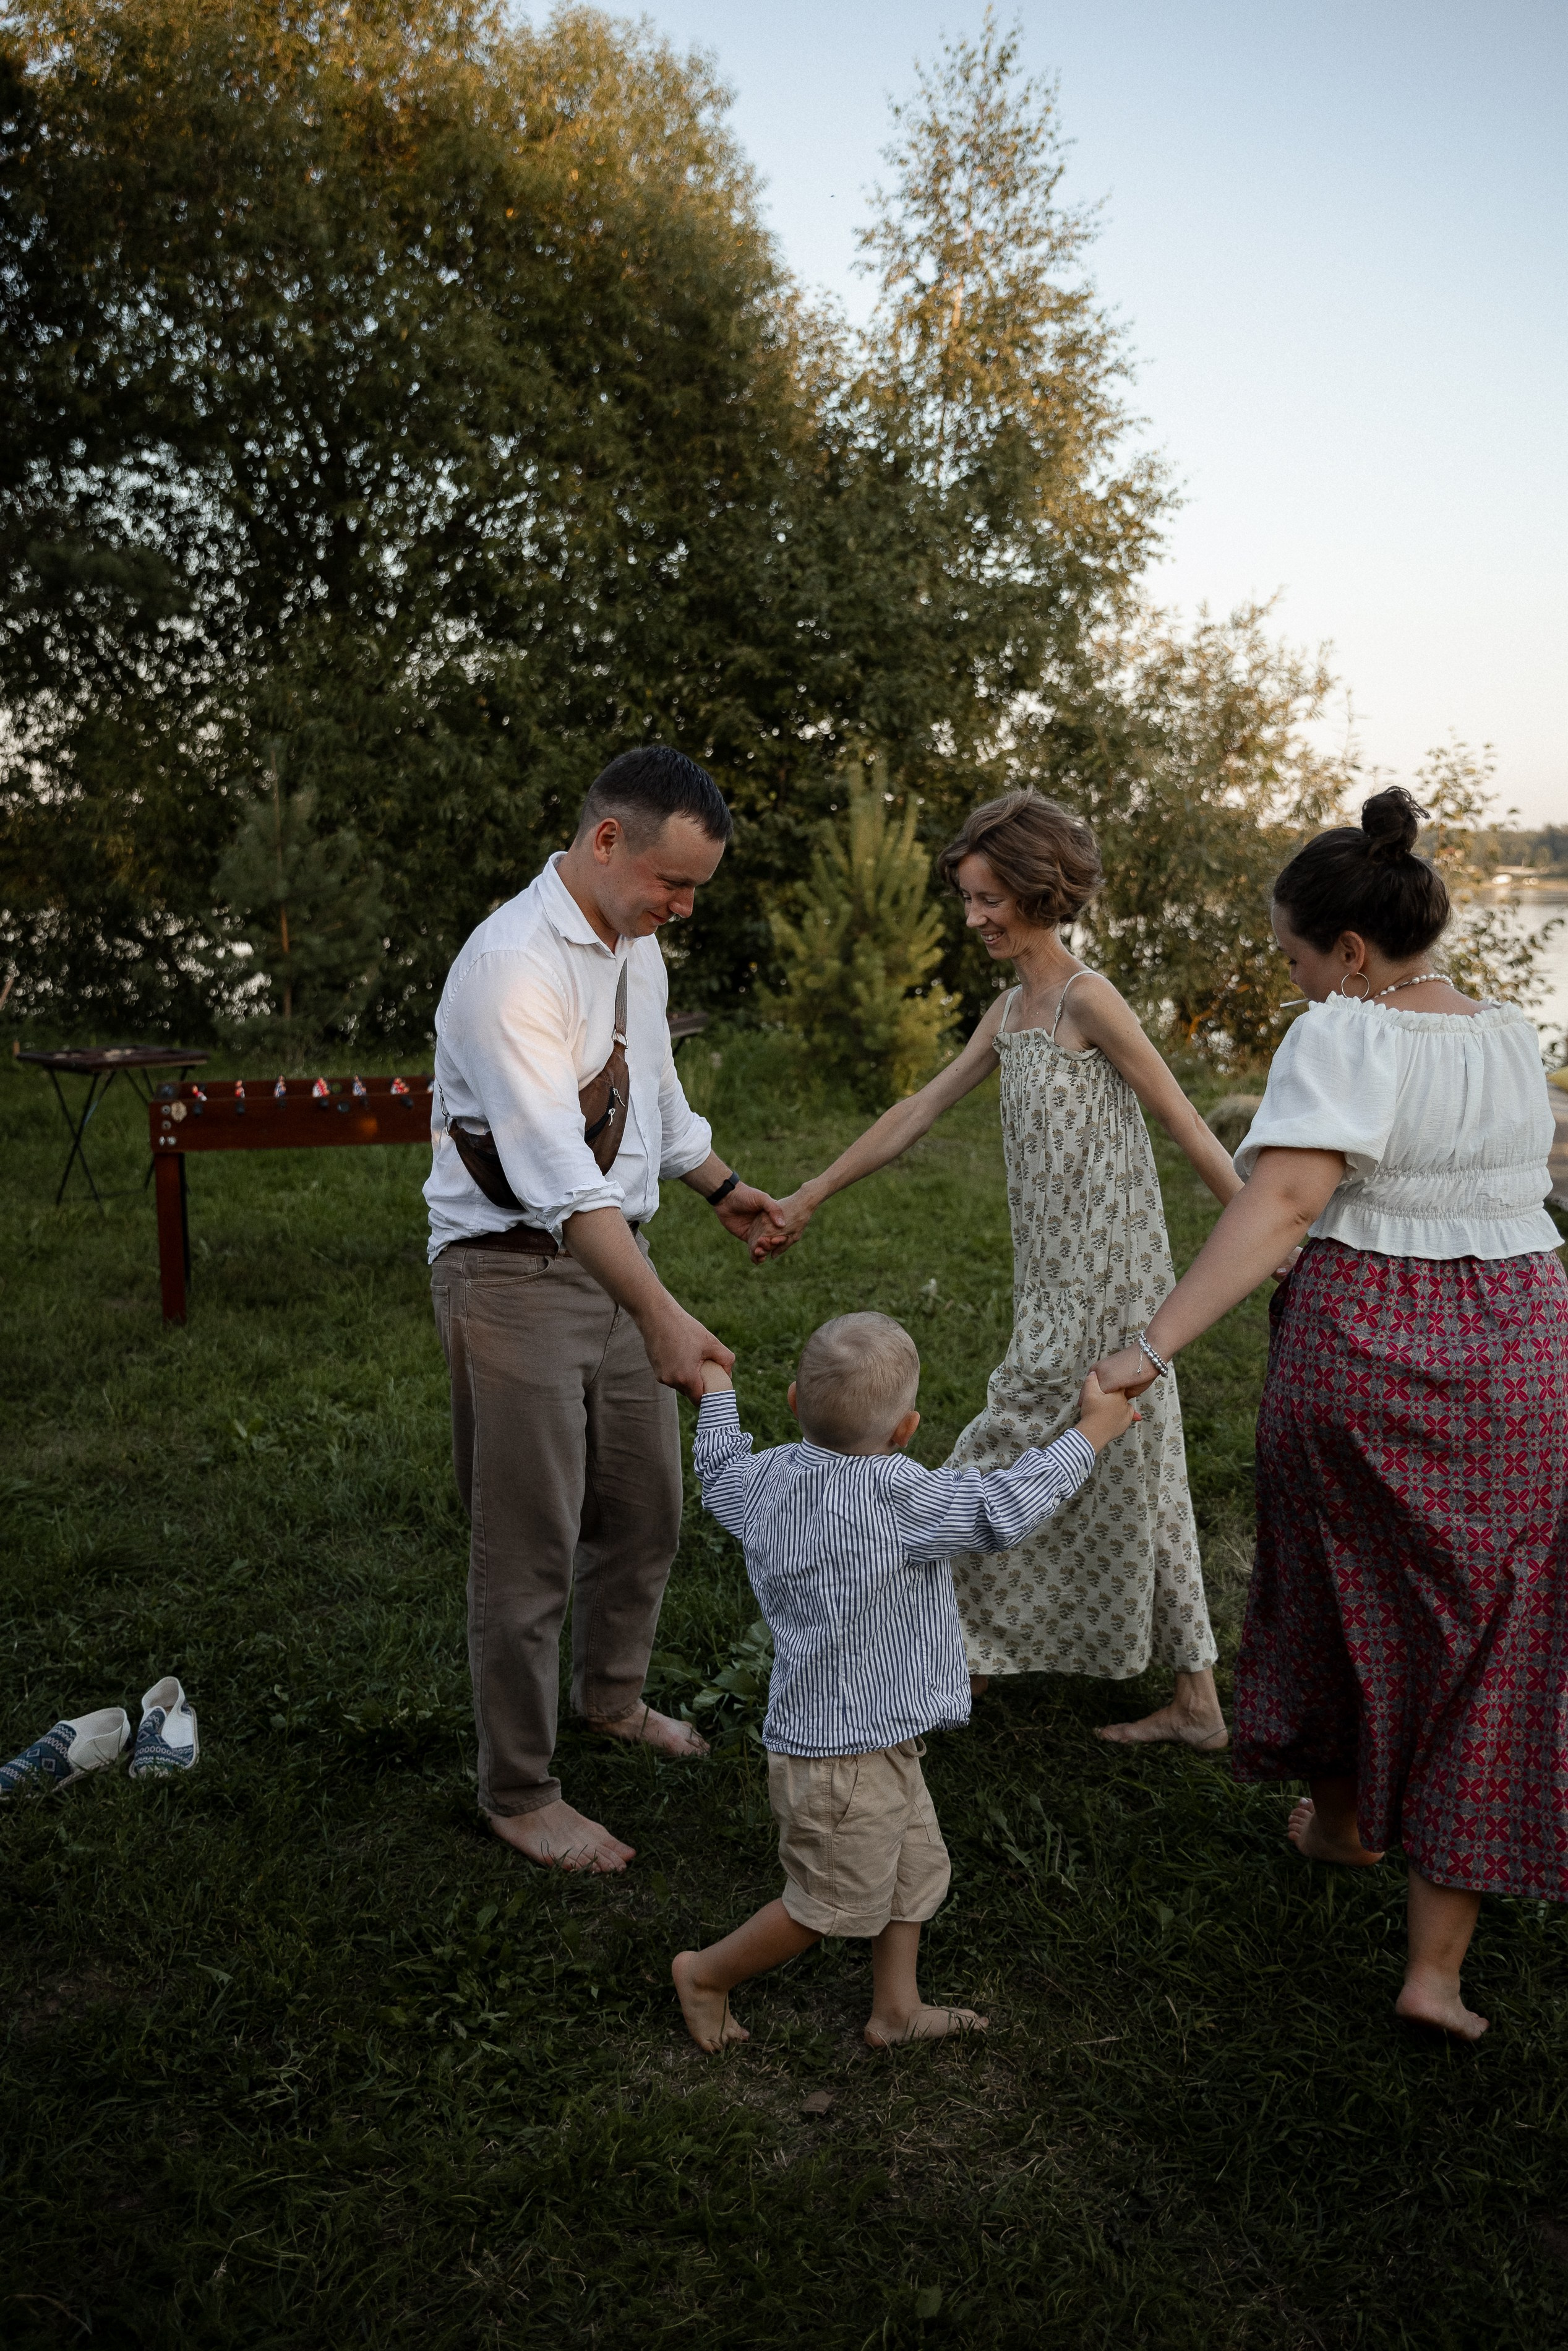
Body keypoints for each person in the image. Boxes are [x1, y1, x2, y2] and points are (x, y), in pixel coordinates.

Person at [1093, 786, 1568, 2040]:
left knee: (1335, 1581)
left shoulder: (1343, 1033)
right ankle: (1434, 1970)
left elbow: (1286, 1202)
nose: (1295, 978)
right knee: (1493, 1626)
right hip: (1525, 1348)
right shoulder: (1512, 1034)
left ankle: (1343, 1824)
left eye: (1295, 955)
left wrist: (1150, 1346)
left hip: (1369, 1342)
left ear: (1349, 952)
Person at [750, 788, 1237, 1748]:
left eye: (987, 899)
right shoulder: (1010, 1011)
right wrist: (810, 1192)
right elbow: (917, 1111)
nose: (972, 918)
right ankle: (1191, 1701)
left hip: (1111, 1286)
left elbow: (1183, 1119)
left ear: (1036, 892)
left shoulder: (1087, 999)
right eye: (966, 899)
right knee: (1138, 1466)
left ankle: (948, 1656)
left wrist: (1270, 1237)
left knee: (990, 1455)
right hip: (1049, 1282)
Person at [426, 747, 786, 1876]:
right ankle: (519, 1791)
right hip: (510, 1273)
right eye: (672, 884)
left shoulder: (635, 948)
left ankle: (612, 1699)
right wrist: (665, 1316)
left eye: (696, 890)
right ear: (605, 840)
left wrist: (721, 1188)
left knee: (645, 1511)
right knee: (527, 1548)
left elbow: (655, 1103)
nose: (683, 908)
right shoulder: (511, 967)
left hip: (615, 1260)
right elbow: (558, 1179)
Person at [671, 1313, 1140, 2052]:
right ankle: (705, 1973)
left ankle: (896, 2009)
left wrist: (718, 1390)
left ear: (793, 1400)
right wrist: (1091, 1432)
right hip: (837, 1758)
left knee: (912, 1871)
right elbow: (1001, 1507)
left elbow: (720, 1463)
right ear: (907, 1428)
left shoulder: (762, 1482)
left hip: (879, 1733)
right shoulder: (901, 1495)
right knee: (826, 1903)